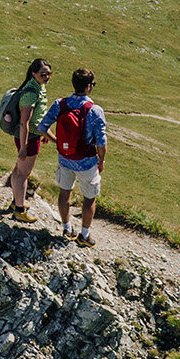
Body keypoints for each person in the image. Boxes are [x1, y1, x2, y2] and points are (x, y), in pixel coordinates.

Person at [37, 67, 106, 247]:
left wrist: (57, 143)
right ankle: (84, 235)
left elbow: (42, 127)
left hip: (65, 159)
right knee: (89, 198)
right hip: (86, 162)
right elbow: (101, 142)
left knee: (64, 192)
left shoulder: (60, 104)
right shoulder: (95, 110)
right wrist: (101, 160)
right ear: (89, 87)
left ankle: (67, 229)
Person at [5, 57, 53, 220]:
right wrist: (24, 147)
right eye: (43, 74)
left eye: (48, 74)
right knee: (23, 174)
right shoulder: (31, 93)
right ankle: (20, 210)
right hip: (28, 138)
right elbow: (25, 122)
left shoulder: (37, 87)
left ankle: (16, 202)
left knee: (19, 170)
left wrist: (43, 134)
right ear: (34, 73)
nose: (46, 77)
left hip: (31, 135)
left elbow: (37, 117)